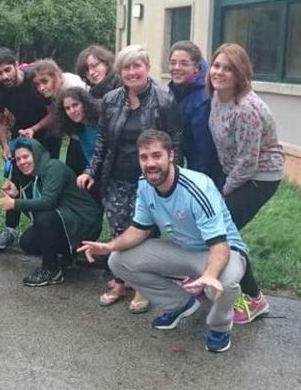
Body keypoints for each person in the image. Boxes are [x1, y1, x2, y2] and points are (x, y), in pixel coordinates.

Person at [78, 130, 247, 353]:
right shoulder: (145, 185)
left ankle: (219, 327)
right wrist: (109, 246)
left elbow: (220, 246)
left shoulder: (198, 187)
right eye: (144, 157)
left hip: (222, 250)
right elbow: (140, 229)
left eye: (157, 156)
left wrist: (209, 275)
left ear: (171, 156)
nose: (150, 163)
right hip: (183, 249)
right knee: (118, 261)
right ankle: (180, 304)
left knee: (221, 284)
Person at [77, 44, 182, 315]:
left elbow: (175, 142)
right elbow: (102, 141)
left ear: (147, 68)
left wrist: (172, 176)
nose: (132, 72)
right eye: (126, 67)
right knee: (117, 231)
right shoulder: (111, 100)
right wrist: (91, 171)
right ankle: (120, 281)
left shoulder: (164, 100)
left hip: (149, 180)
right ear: (120, 71)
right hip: (115, 178)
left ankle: (142, 287)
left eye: (137, 66)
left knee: (144, 232)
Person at [208, 43, 284, 324]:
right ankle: (214, 279)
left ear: (241, 74)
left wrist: (224, 192)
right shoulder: (217, 96)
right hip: (236, 174)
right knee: (217, 228)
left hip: (260, 177)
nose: (220, 72)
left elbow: (248, 163)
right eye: (216, 65)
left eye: (228, 68)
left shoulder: (247, 109)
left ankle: (254, 299)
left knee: (224, 233)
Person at [0, 137, 102, 287]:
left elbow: (48, 203)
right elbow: (35, 213)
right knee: (27, 241)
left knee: (45, 217)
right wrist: (17, 195)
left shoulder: (53, 168)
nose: (22, 162)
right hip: (67, 220)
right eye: (18, 159)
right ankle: (67, 255)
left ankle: (52, 270)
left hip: (85, 222)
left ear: (36, 154)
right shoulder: (34, 177)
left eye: (26, 156)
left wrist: (14, 203)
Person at [0, 47, 60, 249]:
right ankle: (9, 229)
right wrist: (5, 147)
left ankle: (48, 226)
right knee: (15, 181)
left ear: (17, 64)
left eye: (7, 70)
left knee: (45, 182)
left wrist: (34, 129)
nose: (4, 76)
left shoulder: (34, 80)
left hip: (47, 136)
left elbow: (53, 113)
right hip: (21, 137)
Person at [167, 40, 222, 186]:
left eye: (184, 63)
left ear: (196, 68)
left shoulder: (203, 100)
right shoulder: (178, 89)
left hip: (209, 173)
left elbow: (203, 151)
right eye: (173, 63)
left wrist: (196, 184)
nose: (176, 68)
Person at [54, 87, 100, 189]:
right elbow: (89, 156)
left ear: (85, 103)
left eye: (75, 105)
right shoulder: (78, 130)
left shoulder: (101, 121)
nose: (72, 111)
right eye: (67, 108)